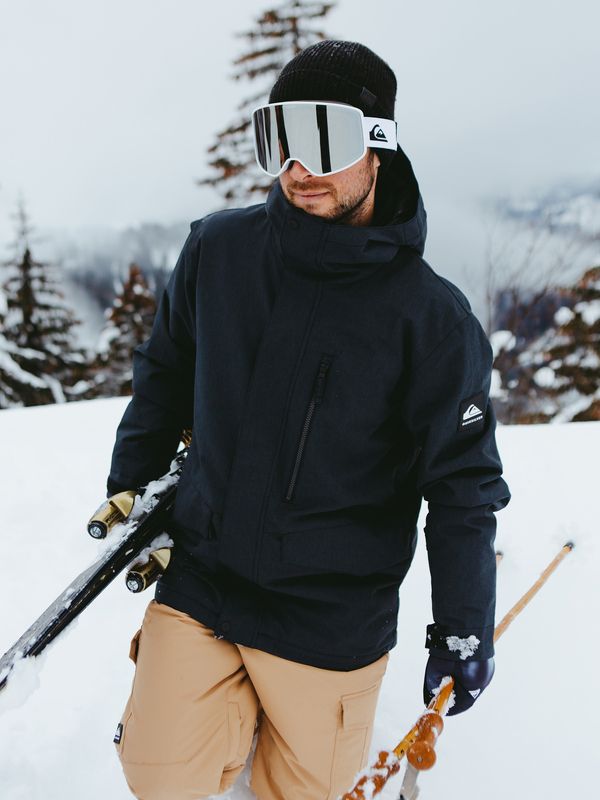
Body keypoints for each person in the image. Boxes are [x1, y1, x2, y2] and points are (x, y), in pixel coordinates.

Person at [106, 39, 511, 800]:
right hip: (206, 582)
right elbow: (164, 372)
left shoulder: (431, 321)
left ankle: (274, 720)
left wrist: (463, 627)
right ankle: (222, 712)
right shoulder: (218, 252)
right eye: (280, 141)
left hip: (330, 618)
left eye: (325, 140)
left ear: (378, 147)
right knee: (156, 778)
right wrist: (135, 485)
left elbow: (462, 488)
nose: (299, 167)